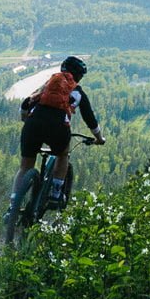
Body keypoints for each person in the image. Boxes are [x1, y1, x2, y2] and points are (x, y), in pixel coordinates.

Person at [12, 55, 104, 208]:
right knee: (63, 154)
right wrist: (99, 138)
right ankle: (55, 194)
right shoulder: (77, 92)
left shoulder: (46, 86)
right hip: (58, 128)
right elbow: (90, 120)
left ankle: (13, 205)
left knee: (25, 166)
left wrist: (25, 120)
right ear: (78, 77)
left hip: (33, 125)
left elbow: (24, 104)